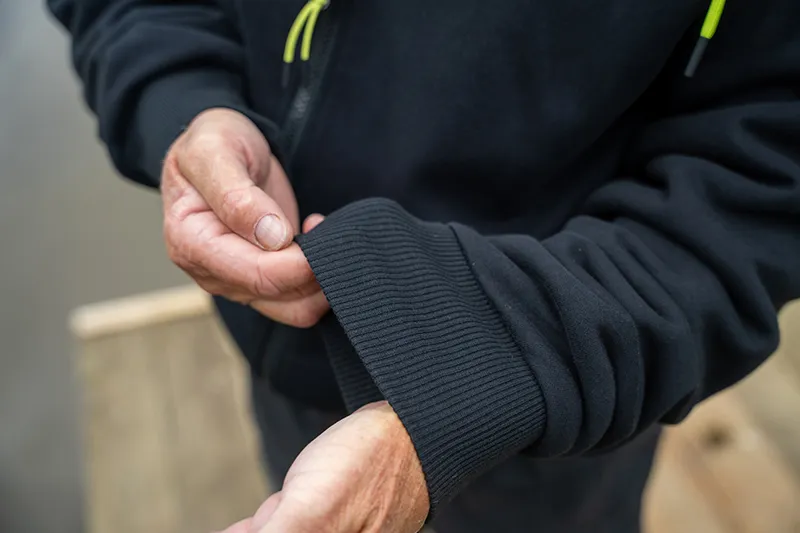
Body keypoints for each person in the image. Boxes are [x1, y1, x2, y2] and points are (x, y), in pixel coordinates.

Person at [48, 0, 800, 531]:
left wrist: (479, 383)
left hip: (565, 393)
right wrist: (186, 104)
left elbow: (767, 173)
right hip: (283, 347)